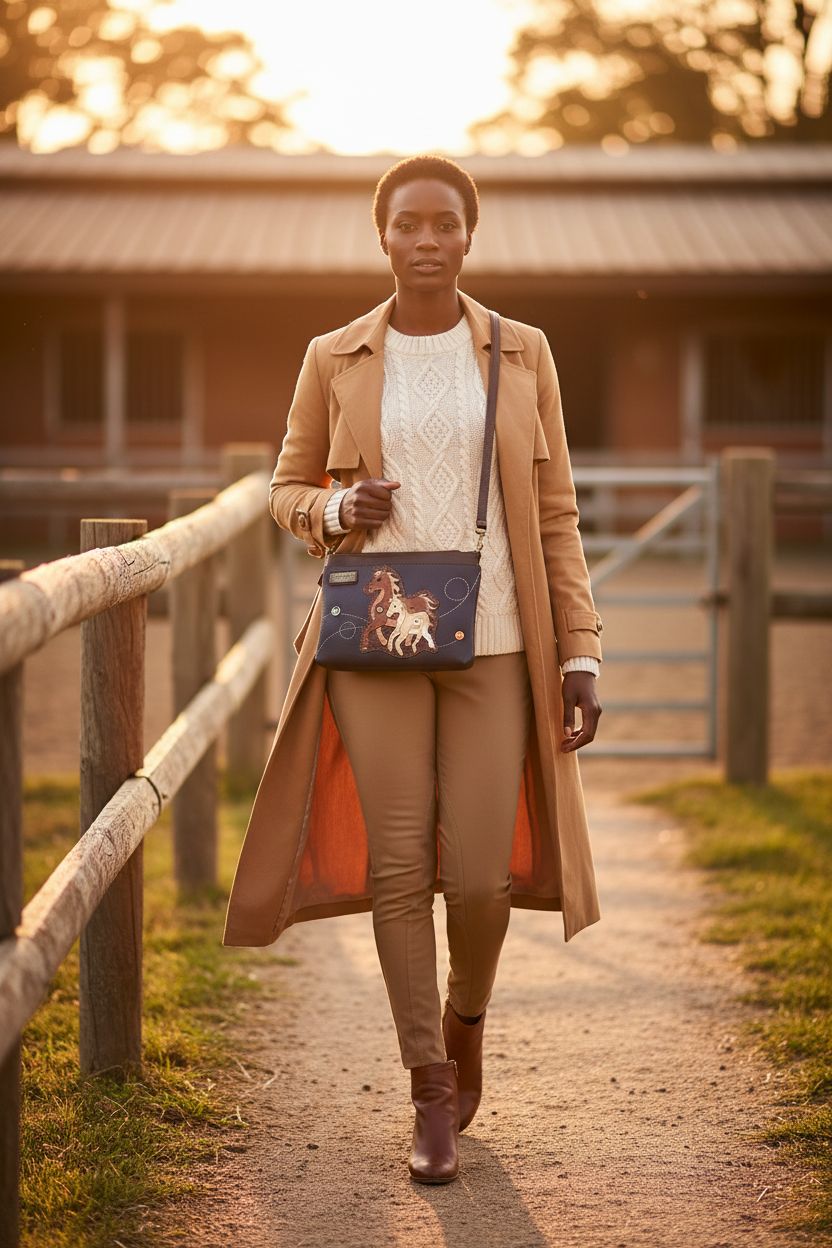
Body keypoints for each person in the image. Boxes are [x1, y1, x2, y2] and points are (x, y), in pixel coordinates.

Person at [222, 153, 604, 1186]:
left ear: (467, 235)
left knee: (478, 877)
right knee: (399, 869)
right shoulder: (333, 354)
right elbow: (286, 487)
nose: (426, 239)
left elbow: (558, 512)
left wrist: (578, 648)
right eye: (407, 225)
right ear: (382, 237)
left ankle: (464, 1015)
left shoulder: (522, 353)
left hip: (498, 642)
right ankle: (428, 1088)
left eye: (444, 223)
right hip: (373, 642)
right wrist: (336, 511)